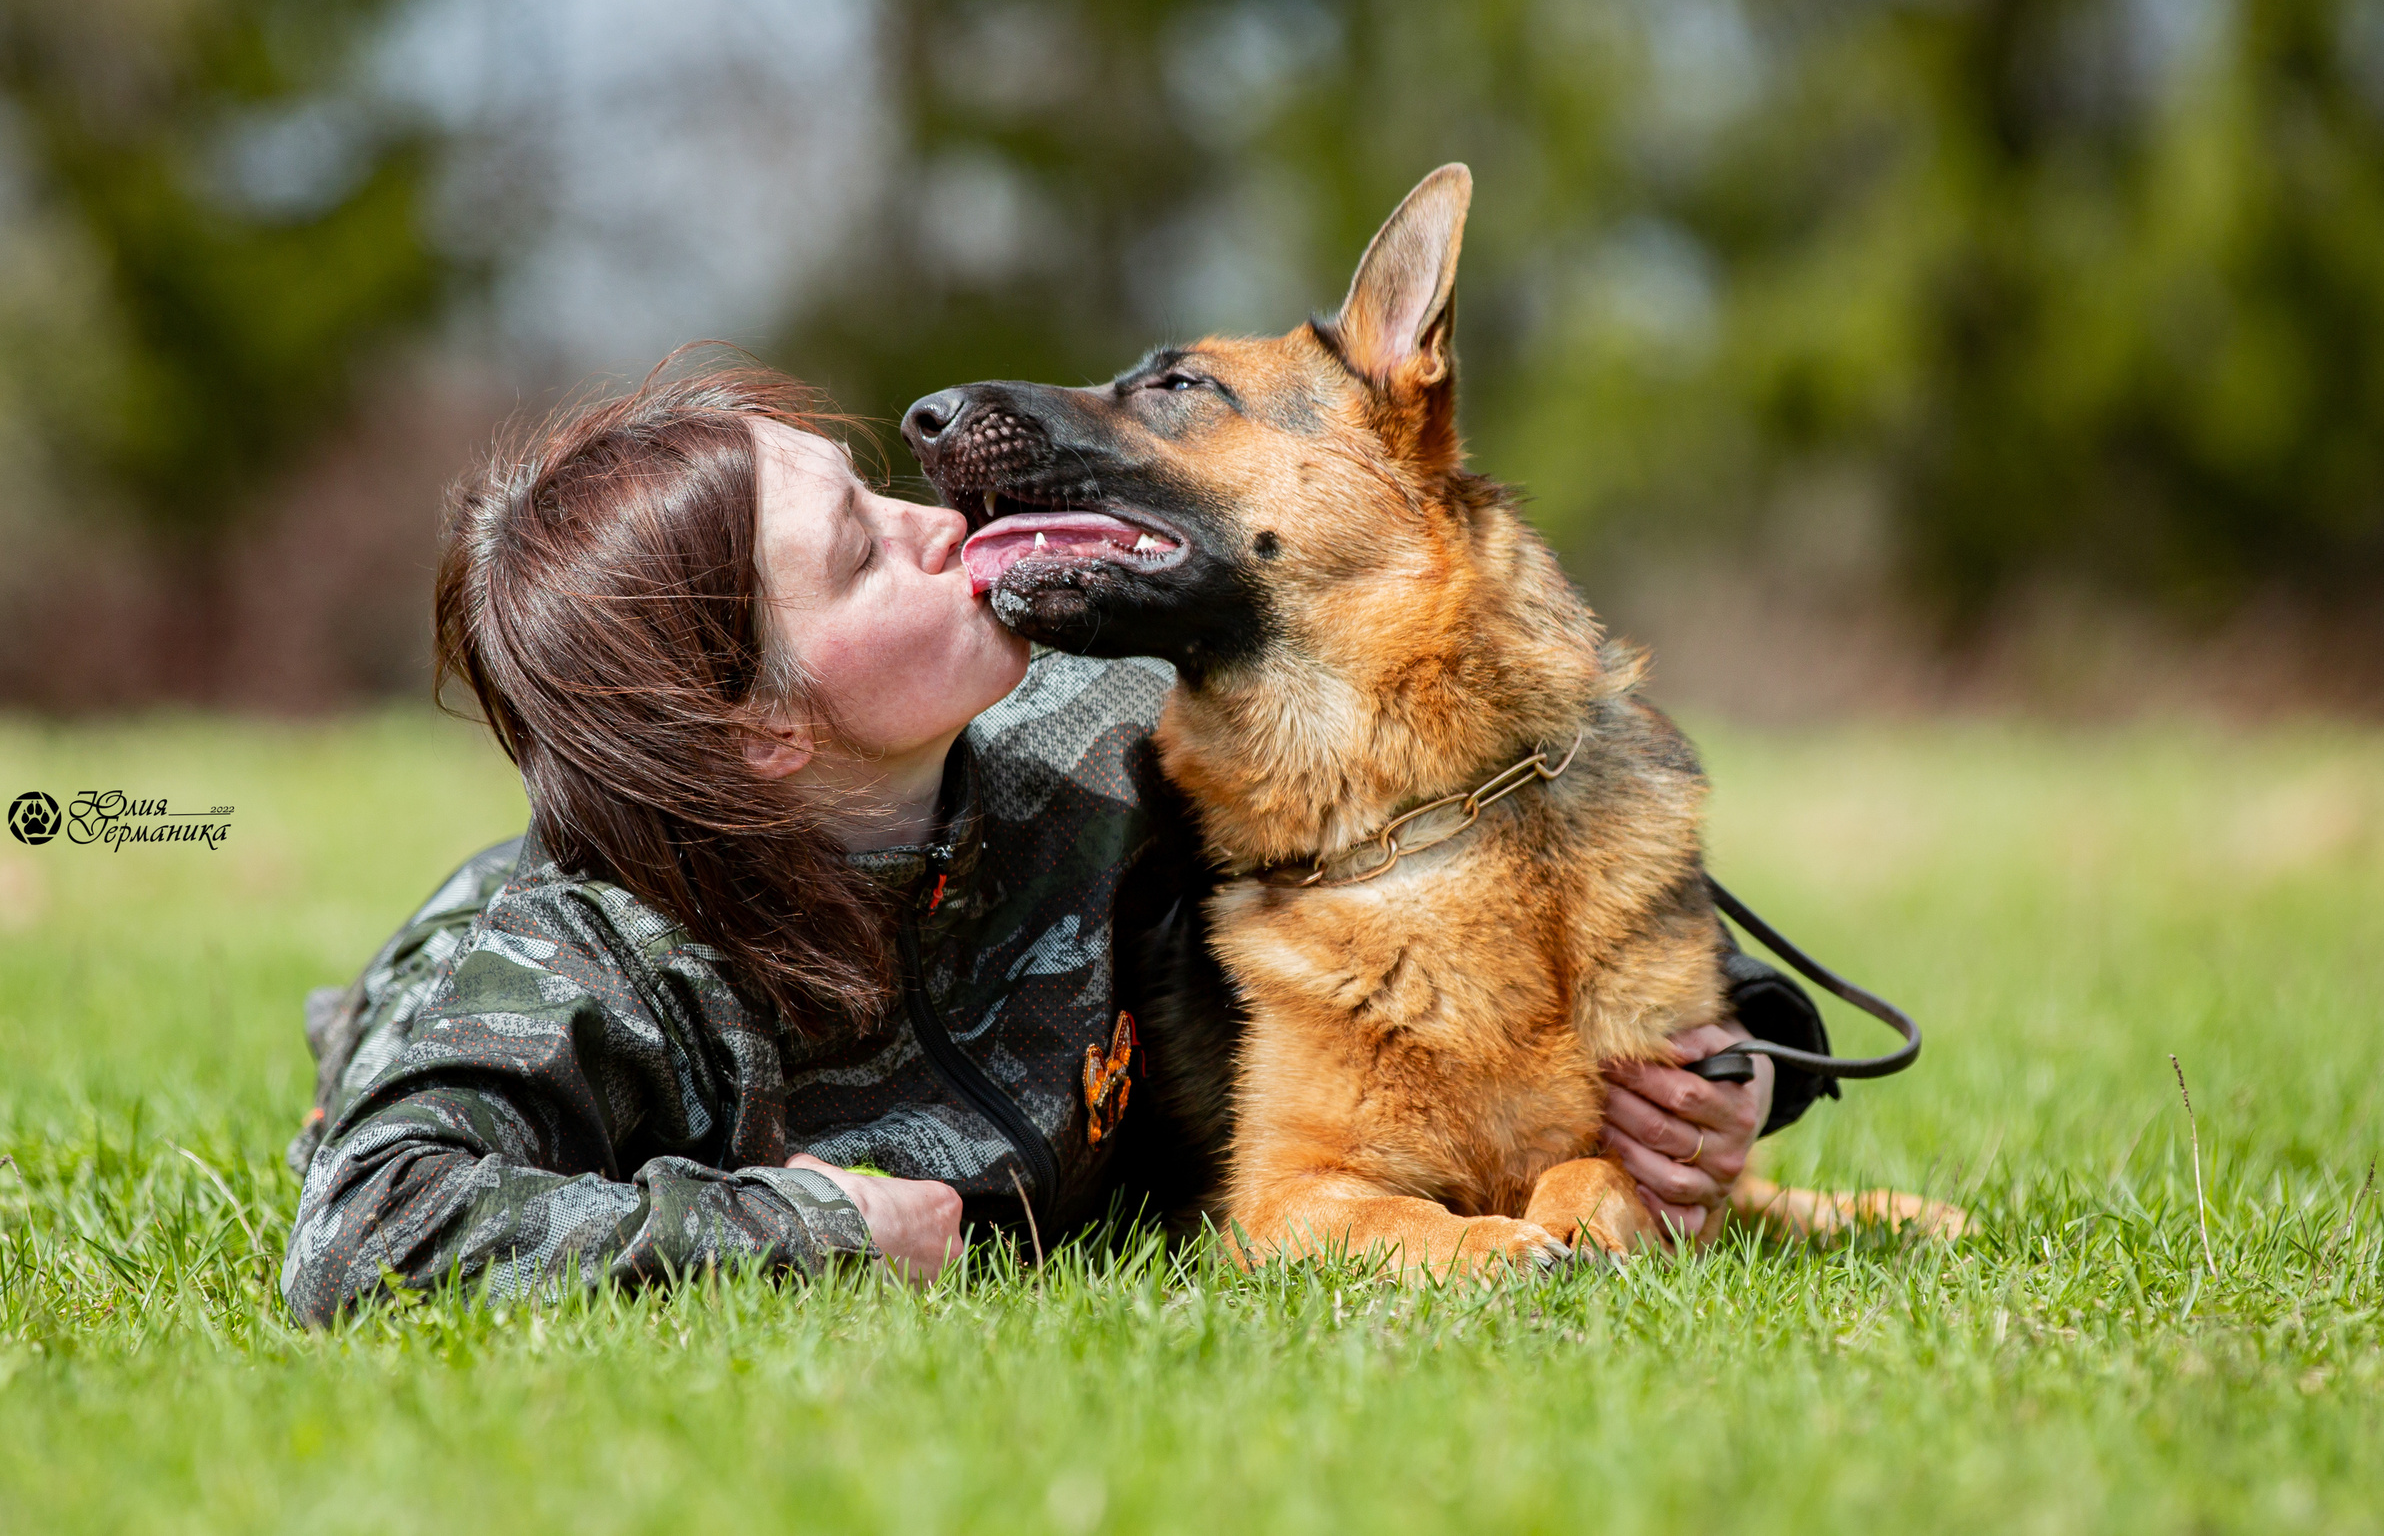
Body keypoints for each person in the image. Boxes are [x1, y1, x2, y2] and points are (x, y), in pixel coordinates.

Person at [280, 363, 1834, 1323]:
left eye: (876, 490)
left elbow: (1512, 865)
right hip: (460, 989)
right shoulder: (590, 961)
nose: (933, 522)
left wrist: (1743, 1058)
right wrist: (798, 1230)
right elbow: (368, 1230)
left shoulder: (1108, 742)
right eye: (859, 552)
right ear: (761, 727)